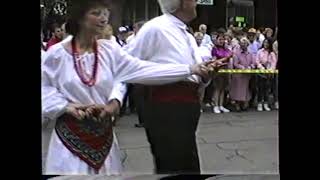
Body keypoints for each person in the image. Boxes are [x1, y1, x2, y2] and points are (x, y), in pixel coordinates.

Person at [42, 0, 216, 175]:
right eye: (96, 13)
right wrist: (66, 107)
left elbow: (134, 70)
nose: (103, 19)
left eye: (105, 13)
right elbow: (44, 88)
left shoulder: (109, 50)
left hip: (104, 137)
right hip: (70, 137)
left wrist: (115, 101)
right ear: (79, 18)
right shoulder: (56, 54)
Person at [123, 0, 230, 174]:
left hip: (188, 108)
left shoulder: (187, 34)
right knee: (174, 164)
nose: (195, 2)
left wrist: (206, 74)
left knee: (188, 163)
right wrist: (187, 69)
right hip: (164, 109)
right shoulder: (155, 28)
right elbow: (127, 68)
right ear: (179, 3)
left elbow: (194, 75)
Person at [229, 37, 256, 112]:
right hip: (238, 74)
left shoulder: (250, 53)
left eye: (245, 43)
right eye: (242, 43)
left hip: (247, 75)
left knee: (245, 90)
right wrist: (242, 67)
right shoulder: (236, 53)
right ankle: (237, 104)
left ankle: (244, 103)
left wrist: (250, 67)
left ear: (247, 44)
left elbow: (253, 63)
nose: (243, 45)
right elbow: (235, 63)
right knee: (237, 90)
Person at [211, 33, 233, 114]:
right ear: (216, 40)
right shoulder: (214, 49)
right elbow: (214, 60)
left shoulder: (226, 49)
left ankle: (221, 105)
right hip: (217, 70)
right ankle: (216, 106)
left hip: (226, 70)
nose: (221, 41)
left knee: (223, 88)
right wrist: (223, 60)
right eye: (220, 39)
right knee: (217, 88)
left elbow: (231, 54)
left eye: (223, 39)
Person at [256, 38, 278, 111]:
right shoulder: (259, 51)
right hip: (261, 72)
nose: (266, 44)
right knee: (260, 88)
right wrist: (261, 68)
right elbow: (257, 61)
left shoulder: (272, 53)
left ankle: (265, 103)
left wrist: (270, 70)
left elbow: (274, 62)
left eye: (267, 43)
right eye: (265, 42)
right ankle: (259, 103)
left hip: (269, 73)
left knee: (267, 89)